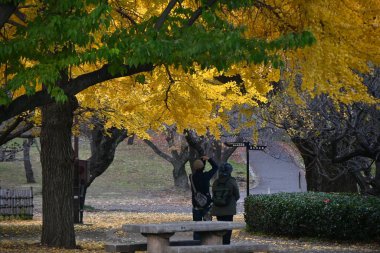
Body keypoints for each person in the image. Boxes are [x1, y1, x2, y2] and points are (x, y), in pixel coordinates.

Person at [189, 155, 219, 241]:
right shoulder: (206, 176)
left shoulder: (191, 177)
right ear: (203, 167)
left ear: (194, 168)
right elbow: (216, 167)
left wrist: (202, 162)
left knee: (197, 228)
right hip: (207, 206)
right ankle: (207, 244)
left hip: (196, 206)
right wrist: (208, 159)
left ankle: (196, 246)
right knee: (208, 227)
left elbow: (199, 169)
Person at [211, 162, 240, 245]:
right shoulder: (231, 181)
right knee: (228, 229)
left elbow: (214, 195)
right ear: (230, 171)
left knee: (220, 228)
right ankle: (226, 245)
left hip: (217, 209)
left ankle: (221, 244)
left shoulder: (216, 182)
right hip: (229, 210)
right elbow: (237, 195)